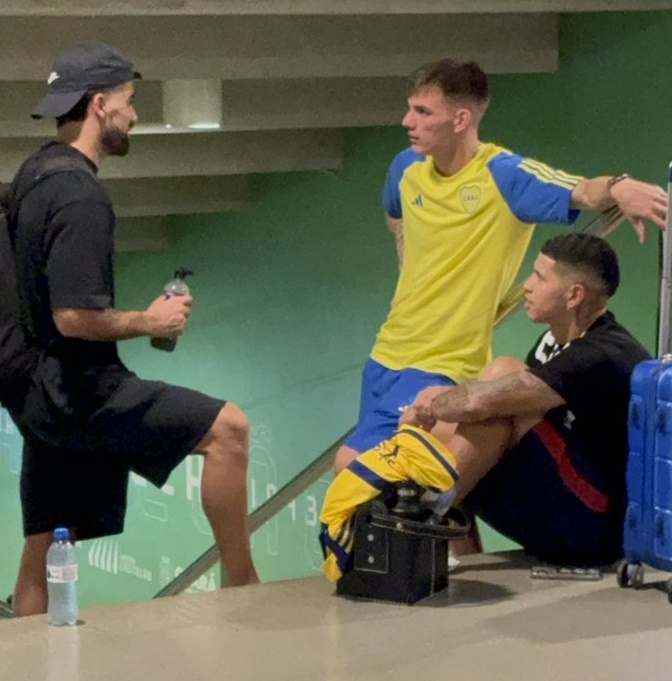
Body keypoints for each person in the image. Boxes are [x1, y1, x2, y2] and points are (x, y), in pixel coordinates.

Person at [7, 42, 258, 617]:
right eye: (129, 100)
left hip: (35, 391)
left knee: (46, 537)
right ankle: (245, 592)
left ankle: (21, 653)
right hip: (78, 390)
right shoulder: (81, 196)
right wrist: (151, 320)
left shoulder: (33, 174)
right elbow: (73, 316)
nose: (135, 114)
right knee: (229, 430)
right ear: (100, 105)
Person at [333, 57, 667, 474]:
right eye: (410, 109)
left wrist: (620, 187)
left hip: (443, 362)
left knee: (359, 472)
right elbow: (394, 211)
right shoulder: (406, 166)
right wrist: (408, 269)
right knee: (372, 482)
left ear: (461, 119)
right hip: (386, 354)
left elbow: (581, 190)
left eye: (422, 112)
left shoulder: (505, 176)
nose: (407, 121)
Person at [397, 233, 651, 565]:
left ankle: (413, 530)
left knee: (499, 378)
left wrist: (429, 406)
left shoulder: (603, 353)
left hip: (594, 525)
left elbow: (480, 402)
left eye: (540, 277)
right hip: (564, 503)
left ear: (574, 295)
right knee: (449, 428)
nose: (527, 286)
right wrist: (431, 414)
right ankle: (454, 559)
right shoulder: (551, 343)